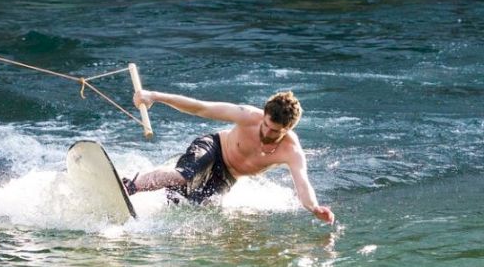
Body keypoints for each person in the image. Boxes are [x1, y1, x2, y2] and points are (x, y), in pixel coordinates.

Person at [122, 89, 335, 224]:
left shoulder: (292, 150)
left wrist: (314, 208)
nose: (267, 134)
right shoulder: (248, 116)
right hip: (214, 148)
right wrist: (155, 96)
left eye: (275, 132)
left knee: (192, 208)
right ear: (263, 116)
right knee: (183, 176)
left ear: (288, 129)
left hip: (227, 177)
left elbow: (303, 184)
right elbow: (200, 108)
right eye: (266, 126)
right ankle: (130, 185)